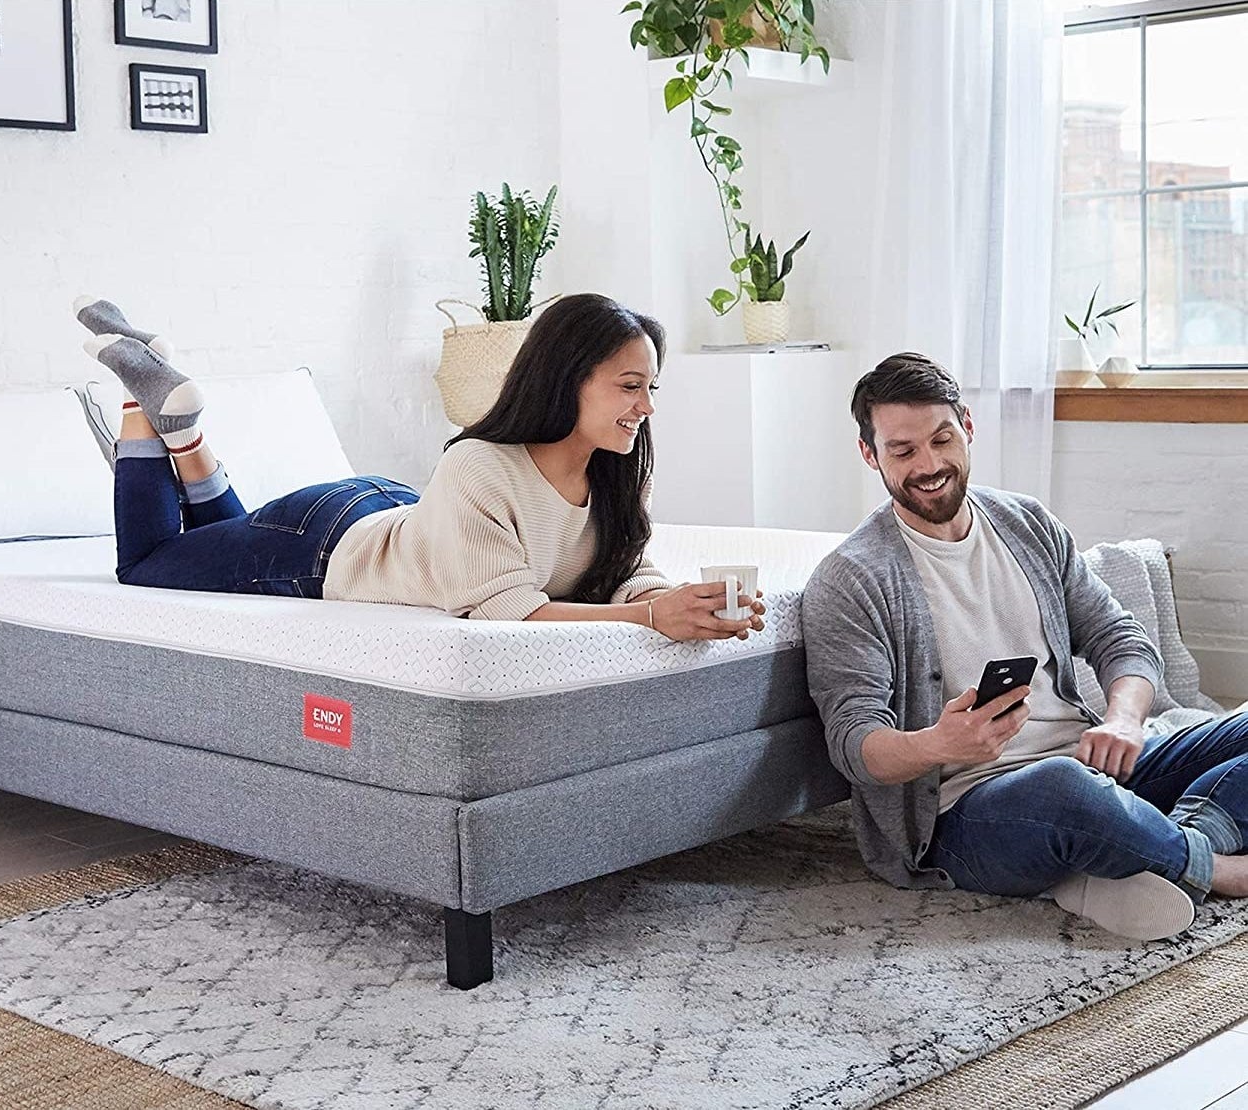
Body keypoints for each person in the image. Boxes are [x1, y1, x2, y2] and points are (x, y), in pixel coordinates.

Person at [801, 351, 1248, 940]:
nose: (929, 464)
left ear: (967, 425)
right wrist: (940, 742)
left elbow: (1121, 638)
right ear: (870, 454)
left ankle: (1154, 849)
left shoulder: (1026, 523)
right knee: (1064, 790)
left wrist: (1122, 720)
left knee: (1097, 777)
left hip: (1092, 769)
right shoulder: (852, 578)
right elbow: (853, 744)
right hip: (964, 813)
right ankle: (1212, 866)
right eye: (903, 451)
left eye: (942, 439)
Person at [73, 291, 764, 642]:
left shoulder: (617, 469)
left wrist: (679, 605)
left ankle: (183, 431)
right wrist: (649, 623)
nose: (645, 405)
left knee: (211, 545)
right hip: (323, 547)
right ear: (567, 379)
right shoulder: (481, 466)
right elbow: (505, 612)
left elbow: (625, 572)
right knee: (150, 561)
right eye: (628, 385)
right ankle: (143, 403)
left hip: (392, 512)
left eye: (650, 387)